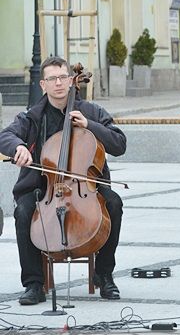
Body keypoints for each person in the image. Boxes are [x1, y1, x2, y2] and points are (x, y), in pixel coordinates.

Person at [0, 56, 125, 304]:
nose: (58, 83)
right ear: (43, 85)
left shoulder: (91, 111)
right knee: (23, 211)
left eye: (62, 77)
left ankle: (104, 275)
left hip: (88, 188)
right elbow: (6, 135)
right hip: (42, 187)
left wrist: (91, 125)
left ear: (70, 80)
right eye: (51, 79)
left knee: (114, 204)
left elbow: (119, 143)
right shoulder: (32, 116)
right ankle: (34, 284)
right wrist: (19, 148)